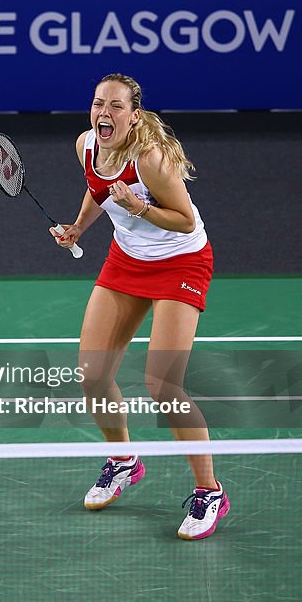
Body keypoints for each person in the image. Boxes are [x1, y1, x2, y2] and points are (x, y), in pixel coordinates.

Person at [51, 73, 228, 540]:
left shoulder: (150, 159)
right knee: (92, 373)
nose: (103, 113)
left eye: (115, 106)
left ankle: (210, 492)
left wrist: (137, 207)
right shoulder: (86, 145)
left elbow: (183, 219)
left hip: (182, 261)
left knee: (163, 385)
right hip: (126, 260)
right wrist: (78, 228)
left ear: (133, 114)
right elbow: (96, 189)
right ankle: (124, 460)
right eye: (97, 104)